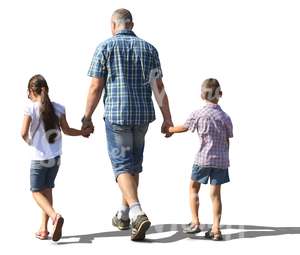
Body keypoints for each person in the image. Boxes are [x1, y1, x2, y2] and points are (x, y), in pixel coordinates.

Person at [81, 8, 173, 241]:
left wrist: (87, 117)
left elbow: (95, 87)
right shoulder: (149, 49)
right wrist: (167, 118)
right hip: (142, 116)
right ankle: (124, 215)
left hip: (117, 116)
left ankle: (137, 211)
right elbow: (158, 88)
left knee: (122, 165)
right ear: (131, 25)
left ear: (114, 25)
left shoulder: (105, 47)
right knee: (133, 165)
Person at [21, 74, 93, 241]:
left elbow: (23, 133)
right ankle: (44, 230)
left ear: (32, 91)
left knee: (36, 192)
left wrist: (31, 143)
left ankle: (54, 216)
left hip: (39, 158)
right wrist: (83, 132)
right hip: (55, 158)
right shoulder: (59, 108)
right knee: (47, 190)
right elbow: (67, 130)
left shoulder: (30, 108)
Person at [168, 78, 233, 241]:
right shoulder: (225, 117)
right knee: (216, 195)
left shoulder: (198, 114)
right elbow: (228, 139)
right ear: (221, 94)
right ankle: (216, 229)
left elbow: (184, 127)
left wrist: (169, 129)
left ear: (201, 95)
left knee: (193, 188)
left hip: (202, 159)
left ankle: (196, 222)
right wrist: (224, 156)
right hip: (221, 161)